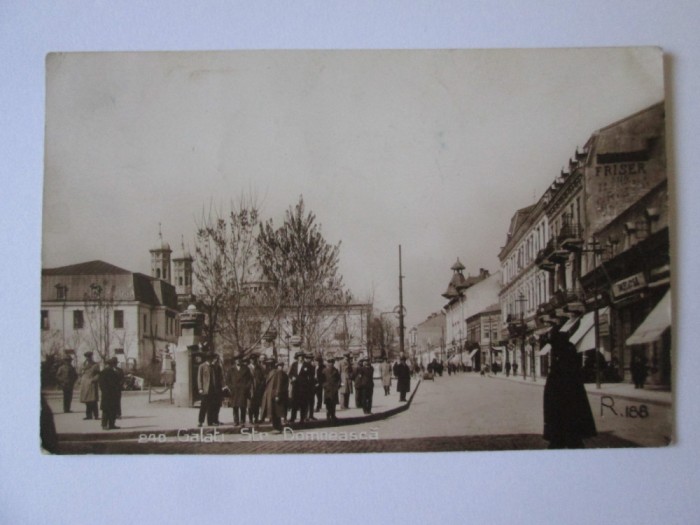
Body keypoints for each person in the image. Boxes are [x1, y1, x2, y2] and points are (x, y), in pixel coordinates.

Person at [543, 330, 597, 449]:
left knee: (565, 441)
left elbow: (561, 388)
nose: (552, 348)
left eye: (553, 345)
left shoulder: (564, 360)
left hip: (563, 410)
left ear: (558, 344)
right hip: (566, 410)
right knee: (571, 441)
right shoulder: (567, 355)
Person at [197, 352, 224, 427]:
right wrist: (200, 388)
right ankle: (200, 421)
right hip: (205, 390)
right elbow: (199, 378)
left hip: (213, 390)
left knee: (212, 406)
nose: (211, 360)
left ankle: (210, 421)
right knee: (203, 406)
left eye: (211, 359)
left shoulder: (214, 367)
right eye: (210, 359)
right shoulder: (202, 366)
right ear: (207, 359)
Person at [261, 360, 289, 433]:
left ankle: (278, 427)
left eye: (270, 364)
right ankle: (276, 427)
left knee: (276, 412)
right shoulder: (271, 372)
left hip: (274, 395)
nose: (268, 366)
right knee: (273, 412)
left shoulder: (277, 372)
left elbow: (279, 384)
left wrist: (277, 394)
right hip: (270, 394)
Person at [225, 354, 253, 425]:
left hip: (243, 390)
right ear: (235, 361)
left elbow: (250, 379)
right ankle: (236, 421)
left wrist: (246, 387)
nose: (238, 361)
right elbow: (228, 381)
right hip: (234, 391)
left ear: (241, 360)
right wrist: (231, 388)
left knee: (243, 406)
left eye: (239, 360)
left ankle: (243, 421)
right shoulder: (231, 369)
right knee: (235, 406)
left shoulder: (246, 368)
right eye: (236, 360)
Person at [288, 351, 315, 422]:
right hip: (296, 386)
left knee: (303, 403)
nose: (301, 358)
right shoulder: (294, 365)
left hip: (304, 387)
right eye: (299, 357)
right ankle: (292, 418)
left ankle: (302, 419)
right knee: (294, 403)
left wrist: (308, 384)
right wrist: (292, 378)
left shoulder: (308, 365)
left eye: (302, 356)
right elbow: (290, 374)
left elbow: (311, 376)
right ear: (297, 358)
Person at [98, 357, 122, 430]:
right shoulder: (104, 372)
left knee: (113, 410)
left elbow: (117, 382)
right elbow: (101, 384)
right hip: (107, 394)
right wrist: (105, 391)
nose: (112, 365)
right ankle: (104, 425)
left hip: (112, 394)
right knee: (106, 410)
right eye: (111, 364)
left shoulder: (114, 372)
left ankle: (112, 424)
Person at [79, 351, 100, 420]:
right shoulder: (83, 365)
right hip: (85, 384)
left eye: (89, 357)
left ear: (91, 357)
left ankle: (96, 415)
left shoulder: (95, 365)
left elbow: (98, 374)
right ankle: (88, 415)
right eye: (87, 357)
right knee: (87, 401)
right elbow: (80, 373)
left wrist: (94, 380)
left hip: (91, 384)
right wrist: (80, 380)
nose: (88, 358)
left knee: (93, 400)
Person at [248, 353, 267, 424]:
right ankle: (250, 419)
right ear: (250, 360)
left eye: (254, 359)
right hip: (250, 388)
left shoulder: (260, 368)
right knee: (250, 404)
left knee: (257, 404)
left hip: (258, 388)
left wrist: (261, 386)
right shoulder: (247, 368)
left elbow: (263, 378)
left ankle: (256, 418)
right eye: (252, 359)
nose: (253, 361)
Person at [322, 358, 341, 423]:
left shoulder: (336, 370)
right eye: (329, 362)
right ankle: (328, 415)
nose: (330, 364)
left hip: (334, 388)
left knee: (334, 403)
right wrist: (324, 385)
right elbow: (321, 379)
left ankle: (333, 415)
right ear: (327, 363)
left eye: (332, 363)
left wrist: (338, 386)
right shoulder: (324, 370)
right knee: (328, 403)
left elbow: (339, 379)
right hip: (327, 389)